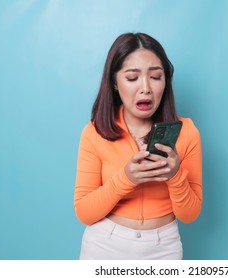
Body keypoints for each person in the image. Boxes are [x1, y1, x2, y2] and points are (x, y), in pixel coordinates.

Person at [74, 32, 202, 260]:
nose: (146, 88)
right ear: (114, 82)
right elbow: (84, 212)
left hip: (164, 249)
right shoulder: (94, 132)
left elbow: (190, 214)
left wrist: (174, 175)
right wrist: (126, 178)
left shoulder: (187, 131)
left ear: (166, 80)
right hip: (104, 246)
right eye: (132, 78)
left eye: (155, 76)